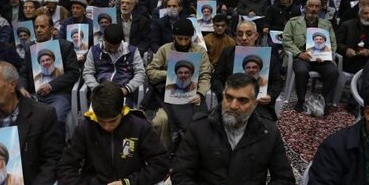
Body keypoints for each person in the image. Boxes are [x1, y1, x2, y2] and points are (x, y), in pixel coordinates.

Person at [145, 18, 212, 151]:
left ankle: (190, 154)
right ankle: (163, 153)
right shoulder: (165, 49)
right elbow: (150, 71)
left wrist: (200, 93)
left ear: (191, 37)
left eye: (187, 39)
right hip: (167, 96)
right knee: (161, 121)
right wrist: (169, 74)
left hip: (192, 96)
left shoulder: (200, 51)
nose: (183, 42)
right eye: (180, 38)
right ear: (174, 36)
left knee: (200, 122)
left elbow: (205, 75)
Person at [212, 20, 283, 120]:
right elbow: (216, 78)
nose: (244, 38)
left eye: (248, 34)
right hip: (231, 103)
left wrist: (270, 96)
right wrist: (222, 92)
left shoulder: (268, 57)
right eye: (240, 34)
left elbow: (277, 82)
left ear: (256, 36)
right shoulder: (227, 53)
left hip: (258, 105)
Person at [283, 0, 339, 113]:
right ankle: (301, 100)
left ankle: (322, 101)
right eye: (311, 6)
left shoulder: (326, 25)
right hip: (302, 57)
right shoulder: (293, 22)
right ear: (306, 7)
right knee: (301, 71)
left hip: (321, 59)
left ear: (321, 9)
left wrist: (326, 55)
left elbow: (333, 44)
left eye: (317, 6)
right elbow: (286, 41)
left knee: (333, 71)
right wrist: (299, 53)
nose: (313, 9)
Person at [82, 23, 146, 107]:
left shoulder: (132, 51)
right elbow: (88, 73)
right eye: (109, 46)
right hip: (100, 90)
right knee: (97, 116)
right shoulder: (94, 51)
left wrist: (127, 89)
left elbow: (141, 73)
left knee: (122, 116)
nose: (112, 50)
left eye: (116, 47)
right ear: (104, 38)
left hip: (124, 91)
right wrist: (96, 88)